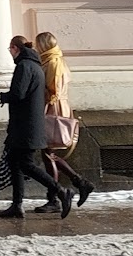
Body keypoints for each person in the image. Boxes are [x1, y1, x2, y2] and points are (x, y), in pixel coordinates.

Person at [0, 35, 69, 219]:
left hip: (25, 125)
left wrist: (5, 96)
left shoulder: (24, 66)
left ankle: (61, 191)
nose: (10, 53)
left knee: (26, 164)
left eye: (10, 49)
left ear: (15, 48)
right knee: (15, 162)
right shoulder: (35, 64)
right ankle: (17, 205)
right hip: (28, 124)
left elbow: (19, 93)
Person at [33, 30, 94, 212]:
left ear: (43, 45)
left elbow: (53, 90)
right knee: (48, 153)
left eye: (38, 44)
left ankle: (56, 198)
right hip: (54, 107)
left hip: (53, 109)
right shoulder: (51, 60)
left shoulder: (53, 62)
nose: (36, 47)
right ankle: (78, 183)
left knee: (48, 153)